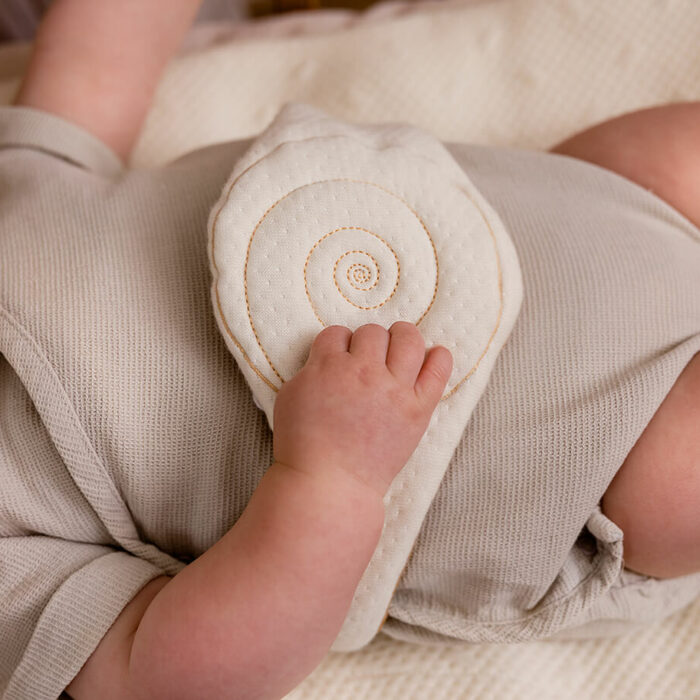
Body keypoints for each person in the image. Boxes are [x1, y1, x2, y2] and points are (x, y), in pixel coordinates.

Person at [0, 1, 698, 699]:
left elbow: (90, 76)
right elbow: (159, 671)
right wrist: (330, 480)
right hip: (574, 453)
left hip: (570, 210)